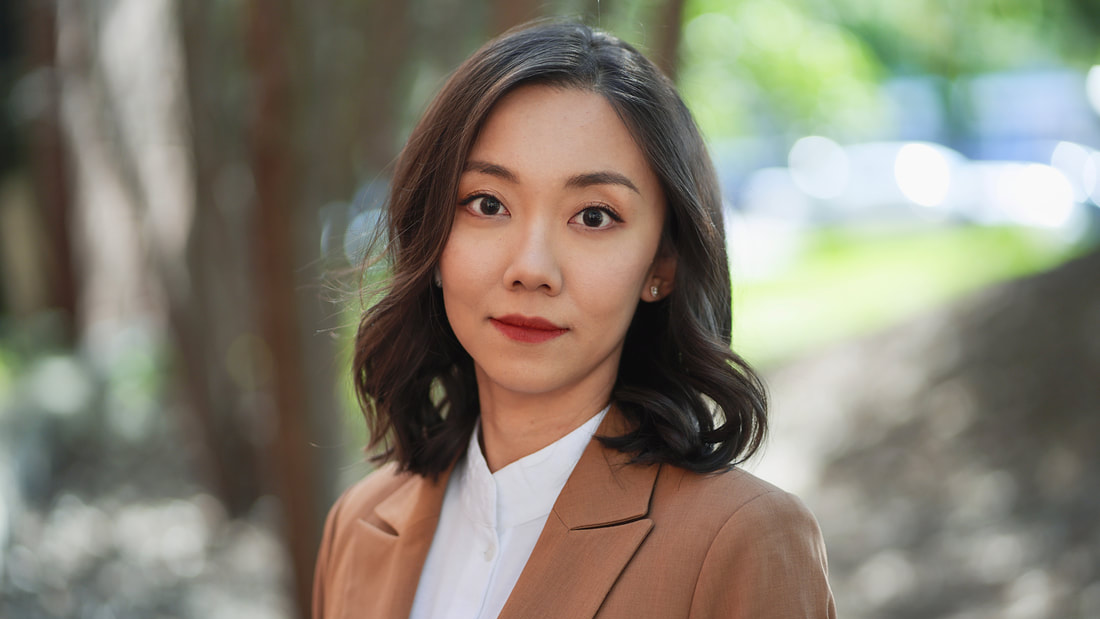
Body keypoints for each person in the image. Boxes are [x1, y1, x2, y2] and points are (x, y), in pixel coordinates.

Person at [313, 20, 836, 619]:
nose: (532, 269)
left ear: (660, 263)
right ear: (432, 237)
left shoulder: (741, 540)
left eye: (593, 216)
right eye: (488, 204)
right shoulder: (357, 528)